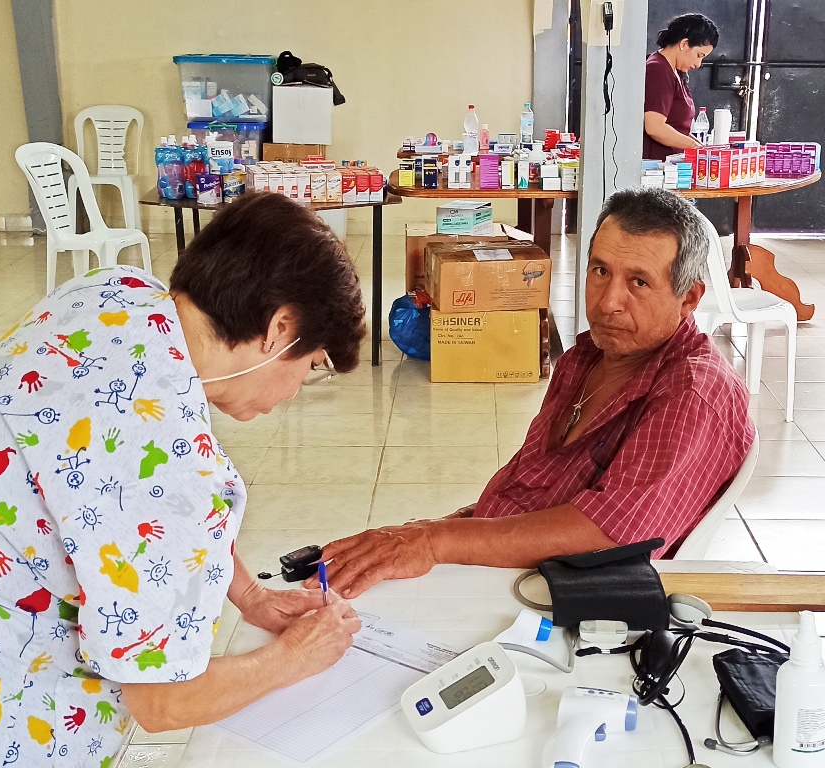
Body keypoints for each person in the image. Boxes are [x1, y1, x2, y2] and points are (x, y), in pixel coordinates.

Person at [0, 192, 366, 767]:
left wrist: (250, 596)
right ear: (280, 328)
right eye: (311, 364)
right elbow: (162, 701)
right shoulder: (169, 463)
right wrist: (294, 656)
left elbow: (129, 524)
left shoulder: (117, 295)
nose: (294, 391)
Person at [314, 189, 754, 599]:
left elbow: (610, 534)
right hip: (508, 566)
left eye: (639, 283)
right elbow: (532, 486)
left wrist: (434, 541)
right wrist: (432, 532)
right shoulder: (586, 357)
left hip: (556, 597)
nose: (607, 302)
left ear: (689, 297)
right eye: (600, 271)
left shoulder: (693, 394)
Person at [644, 13, 720, 160]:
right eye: (699, 55)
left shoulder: (675, 71)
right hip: (656, 167)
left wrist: (703, 150)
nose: (699, 64)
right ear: (684, 44)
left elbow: (678, 128)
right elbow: (654, 127)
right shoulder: (658, 70)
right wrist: (694, 147)